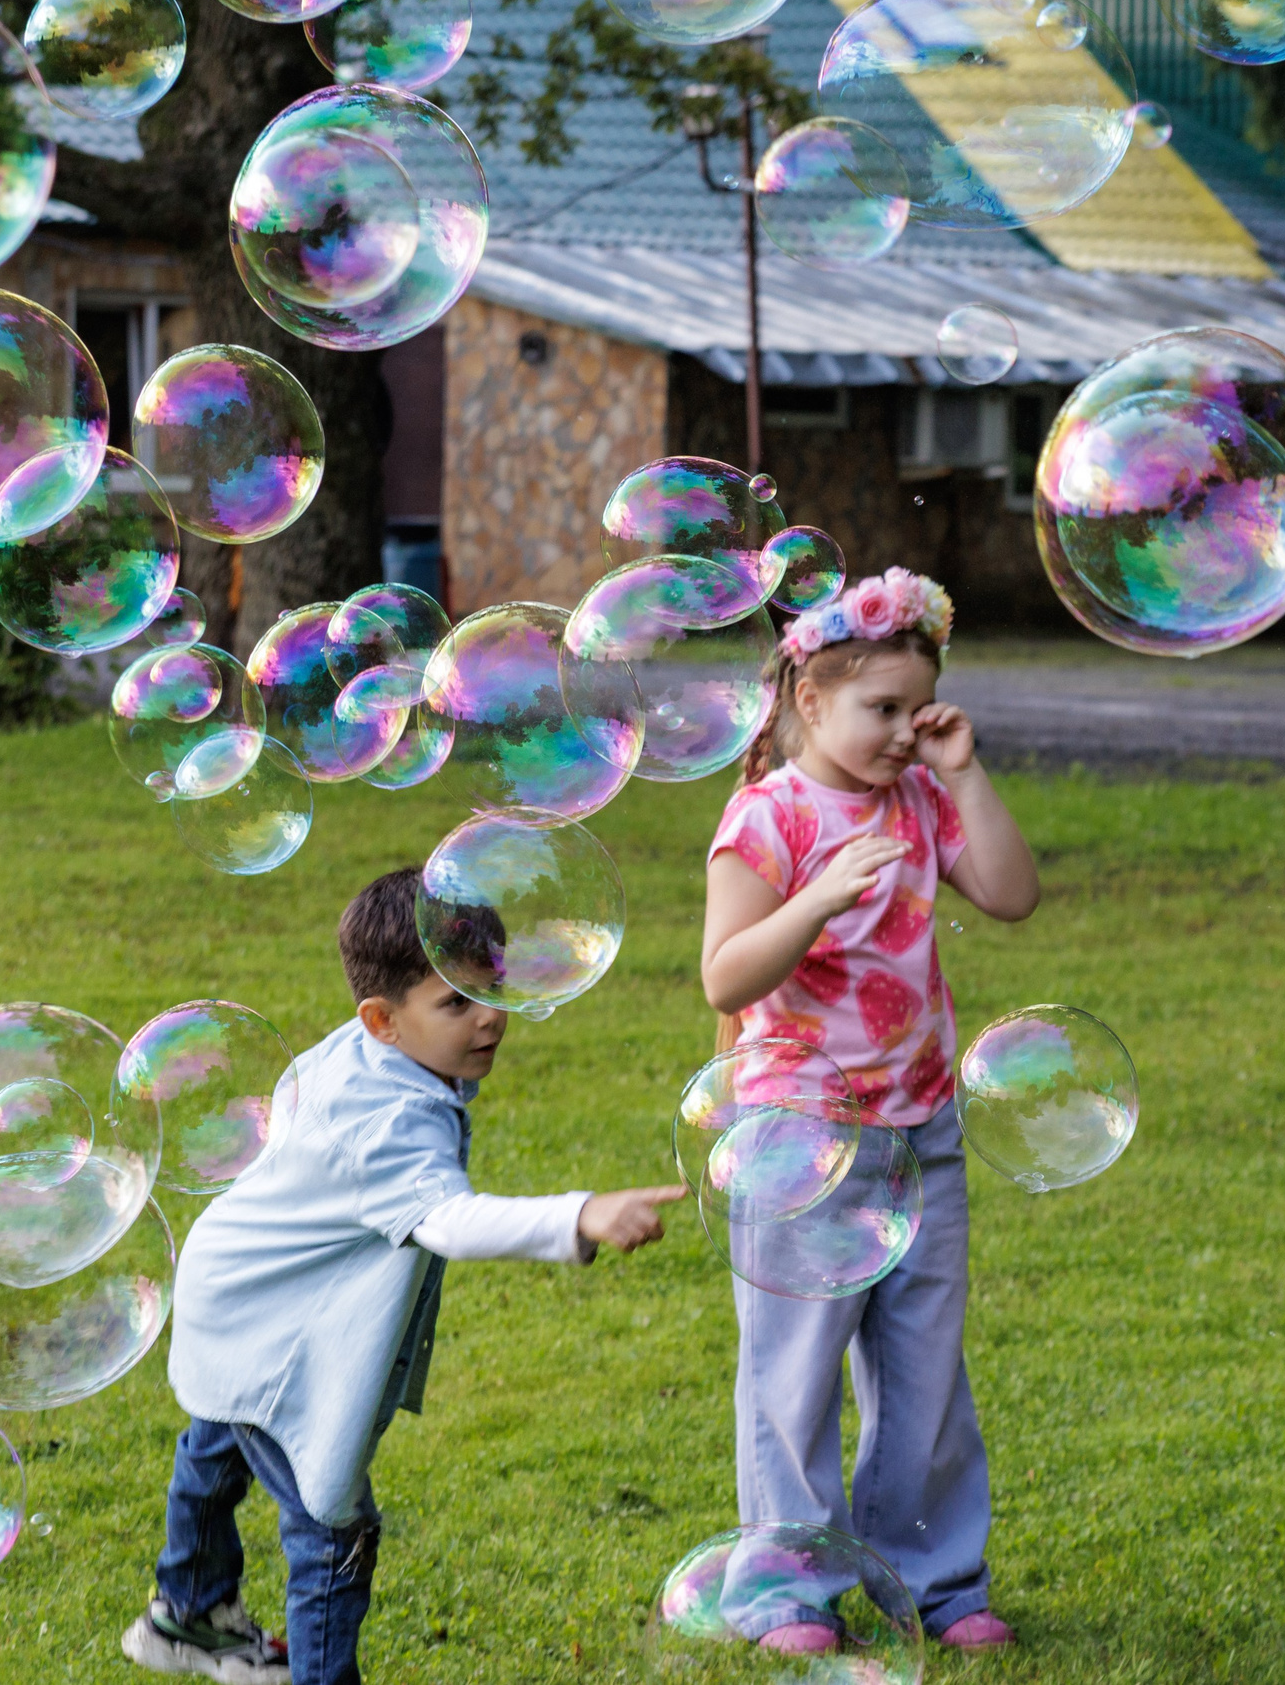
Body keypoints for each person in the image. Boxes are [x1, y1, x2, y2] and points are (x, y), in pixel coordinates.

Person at [123, 867, 687, 1685]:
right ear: (383, 1020)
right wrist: (580, 1214)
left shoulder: (367, 1054)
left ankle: (186, 1611)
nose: (489, 1015)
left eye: (491, 987)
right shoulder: (389, 1118)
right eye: (456, 1002)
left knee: (216, 1450)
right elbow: (447, 1218)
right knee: (333, 1526)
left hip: (236, 1296)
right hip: (273, 1335)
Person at [700, 566, 1041, 1654]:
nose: (904, 731)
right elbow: (725, 974)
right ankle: (787, 1592)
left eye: (918, 708)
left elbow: (1012, 894)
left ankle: (934, 1578)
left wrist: (964, 771)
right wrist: (816, 898)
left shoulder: (922, 800)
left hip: (921, 1132)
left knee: (925, 1372)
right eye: (882, 709)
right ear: (810, 700)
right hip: (800, 1139)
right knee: (793, 1376)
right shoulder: (769, 815)